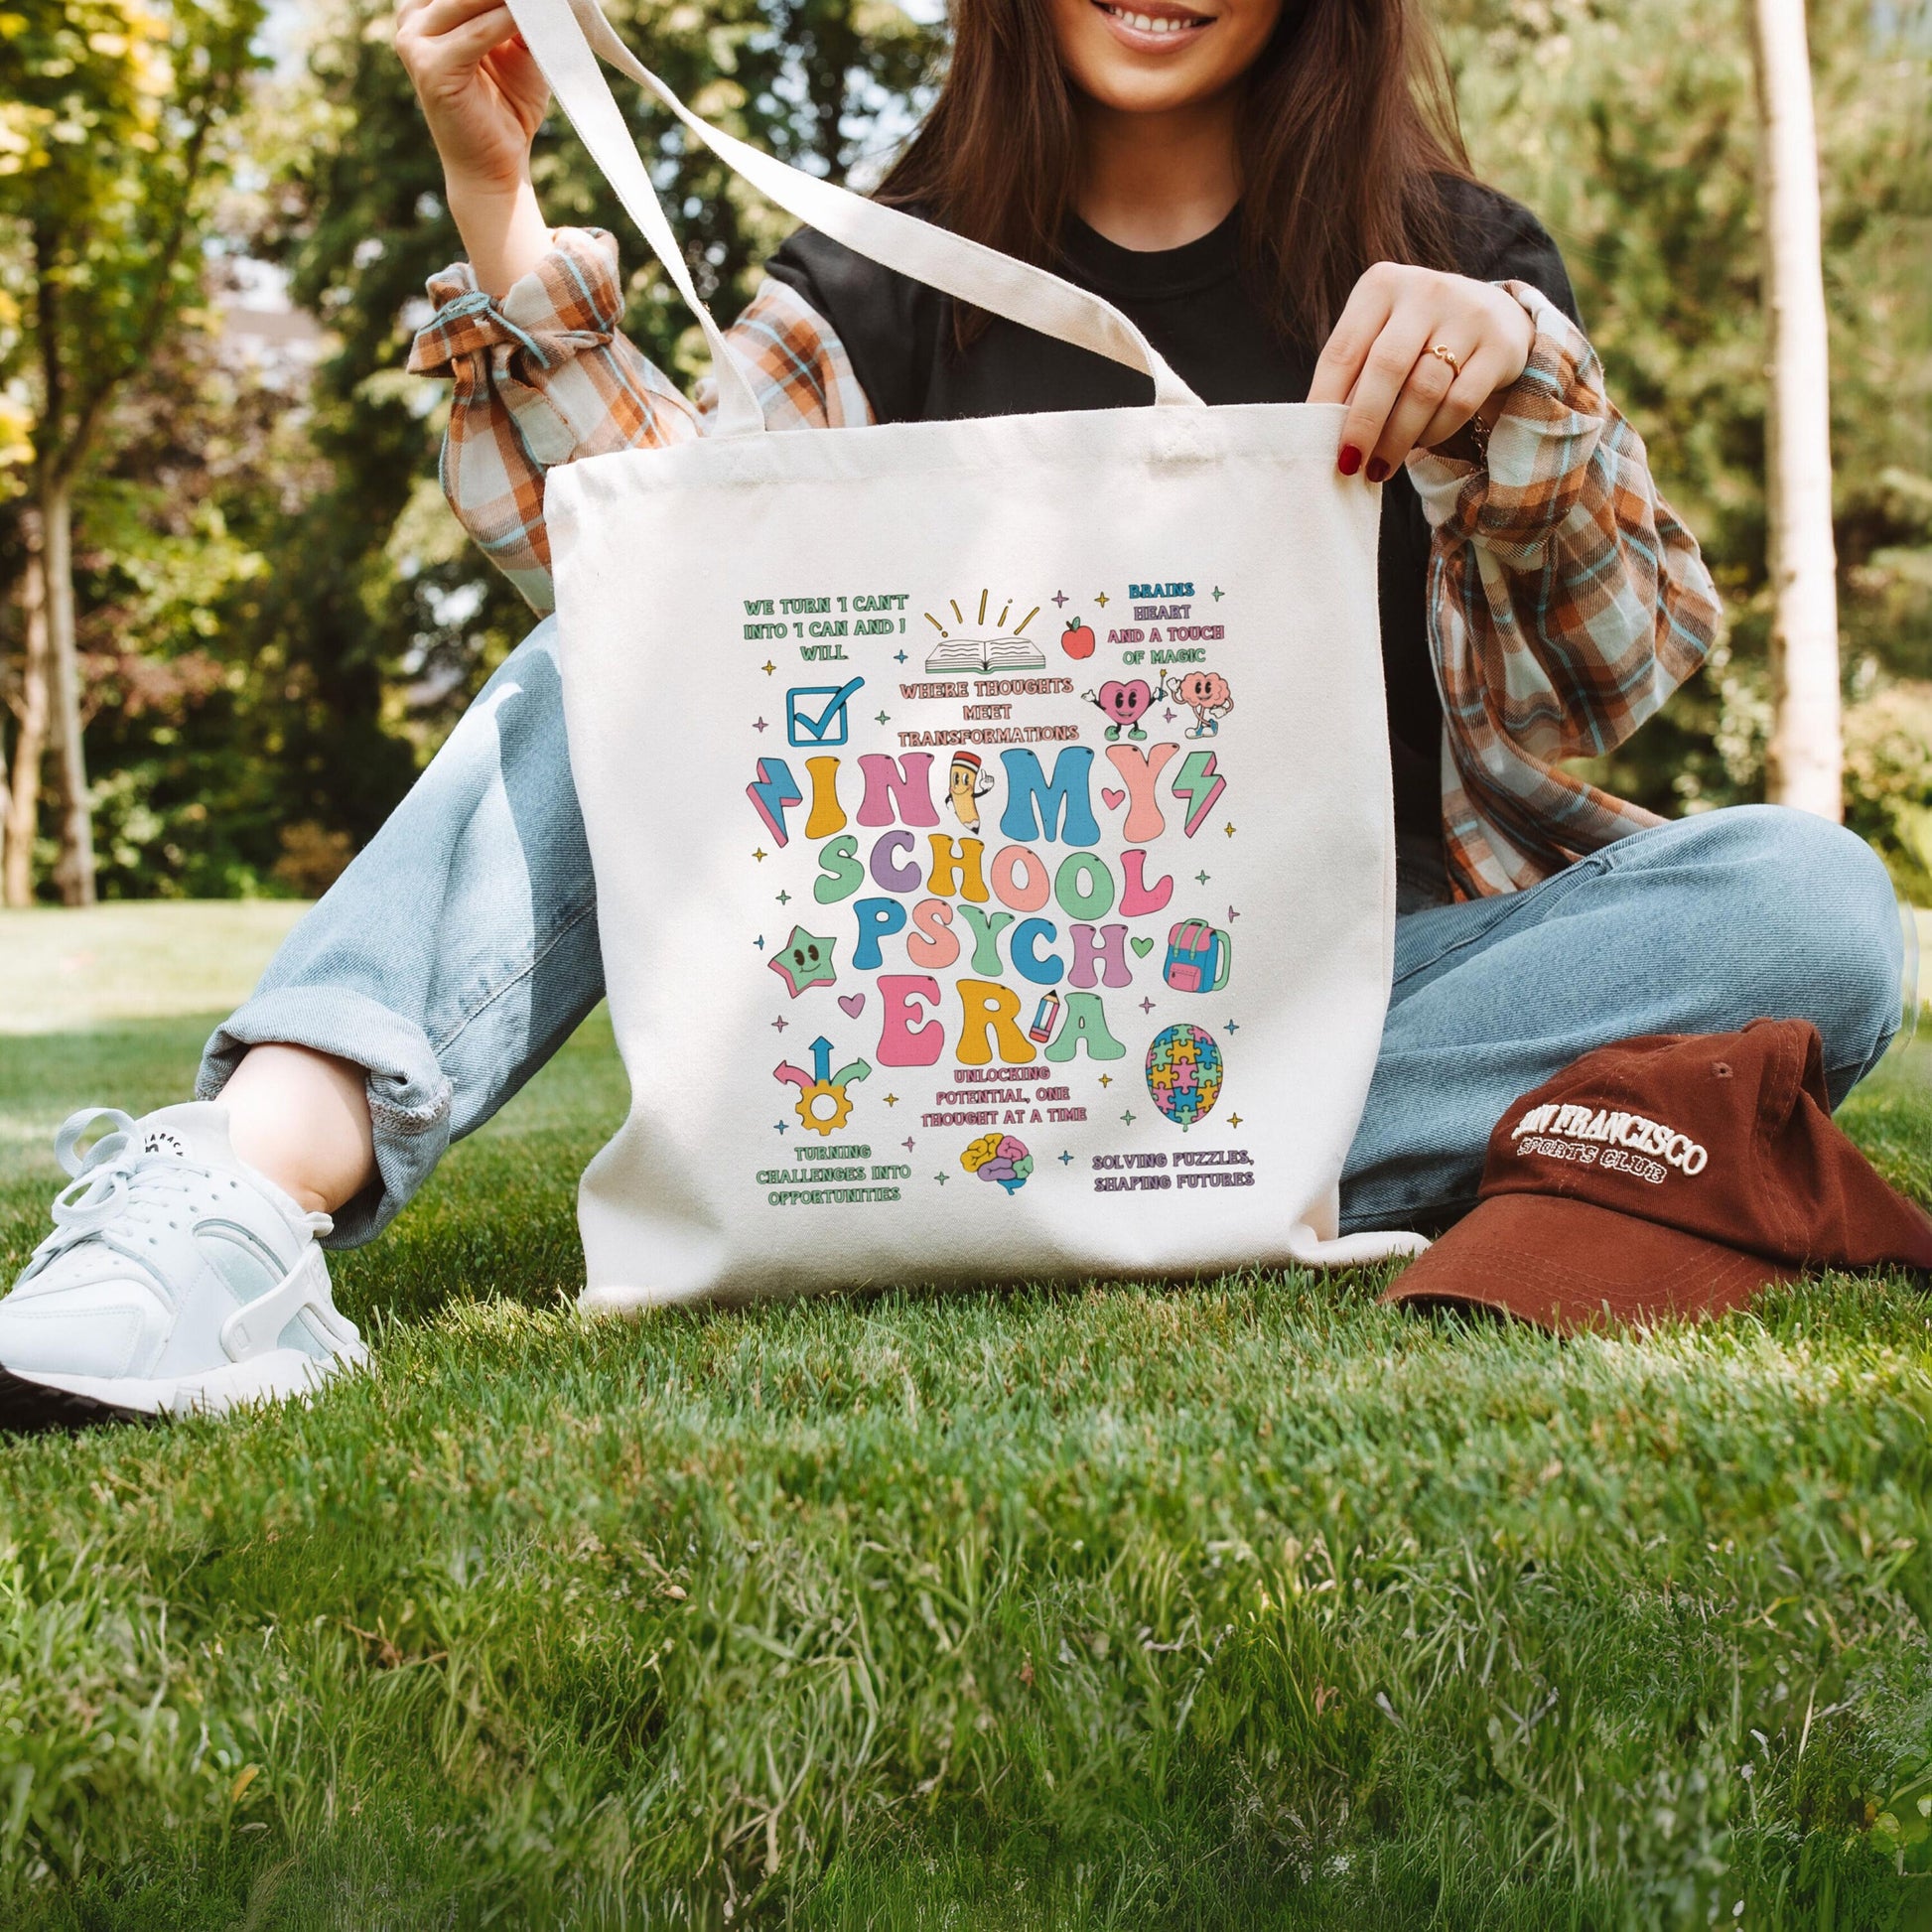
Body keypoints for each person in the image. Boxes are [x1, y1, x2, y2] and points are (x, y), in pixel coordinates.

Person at [0, 0, 1904, 1425]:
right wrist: (498, 207)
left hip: (1348, 997)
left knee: (1810, 911)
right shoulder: (867, 280)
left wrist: (1512, 375)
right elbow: (650, 604)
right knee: (643, 636)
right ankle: (250, 1181)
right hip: (930, 996)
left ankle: (1031, 1173)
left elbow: (1607, 689)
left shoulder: (1454, 258)